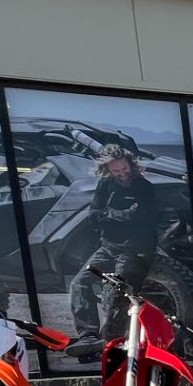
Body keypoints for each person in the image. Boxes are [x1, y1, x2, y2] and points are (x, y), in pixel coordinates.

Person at [67, 144, 160, 352]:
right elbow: (94, 216)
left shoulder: (144, 188)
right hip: (108, 247)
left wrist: (110, 216)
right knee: (79, 283)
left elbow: (144, 219)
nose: (121, 174)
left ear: (131, 165)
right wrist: (124, 215)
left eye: (124, 169)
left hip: (134, 249)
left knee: (119, 293)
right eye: (116, 171)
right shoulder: (106, 185)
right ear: (107, 170)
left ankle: (114, 340)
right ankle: (88, 336)